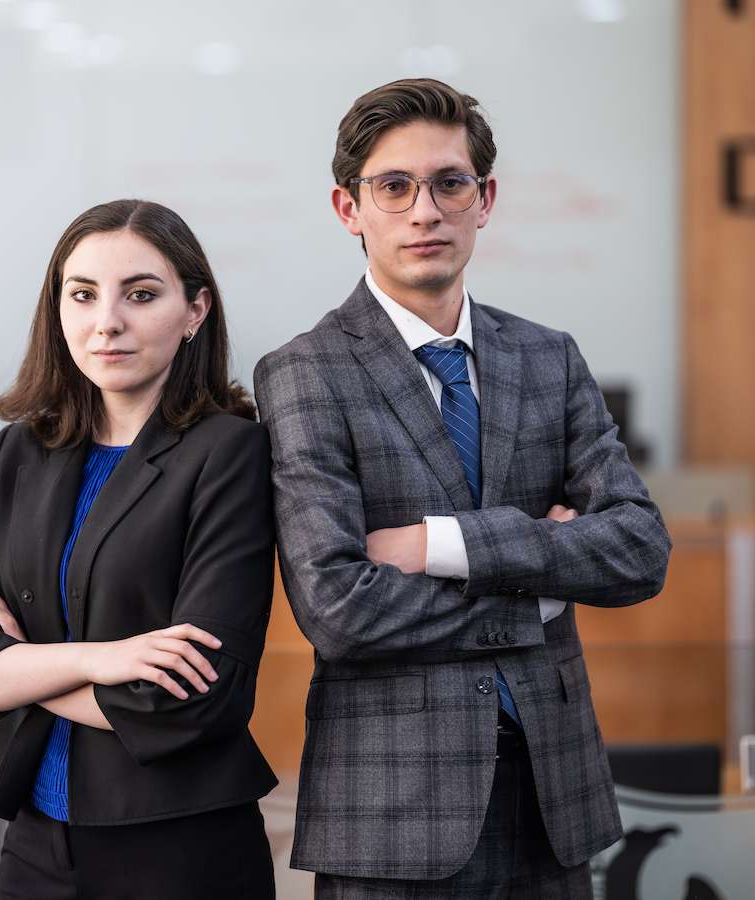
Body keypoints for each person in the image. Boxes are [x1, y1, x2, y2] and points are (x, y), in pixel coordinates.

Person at [253, 78, 672, 898]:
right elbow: (338, 607)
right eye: (394, 187)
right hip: (394, 816)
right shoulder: (305, 374)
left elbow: (638, 549)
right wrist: (541, 587)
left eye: (449, 184)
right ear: (349, 208)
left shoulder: (548, 359)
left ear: (485, 200)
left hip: (555, 800)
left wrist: (441, 545)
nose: (424, 211)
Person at [0, 199, 277, 900]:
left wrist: (22, 662)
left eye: (141, 295)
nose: (107, 320)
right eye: (82, 295)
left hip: (180, 843)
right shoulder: (23, 450)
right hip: (36, 840)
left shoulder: (230, 453)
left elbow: (192, 699)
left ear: (195, 310)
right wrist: (97, 658)